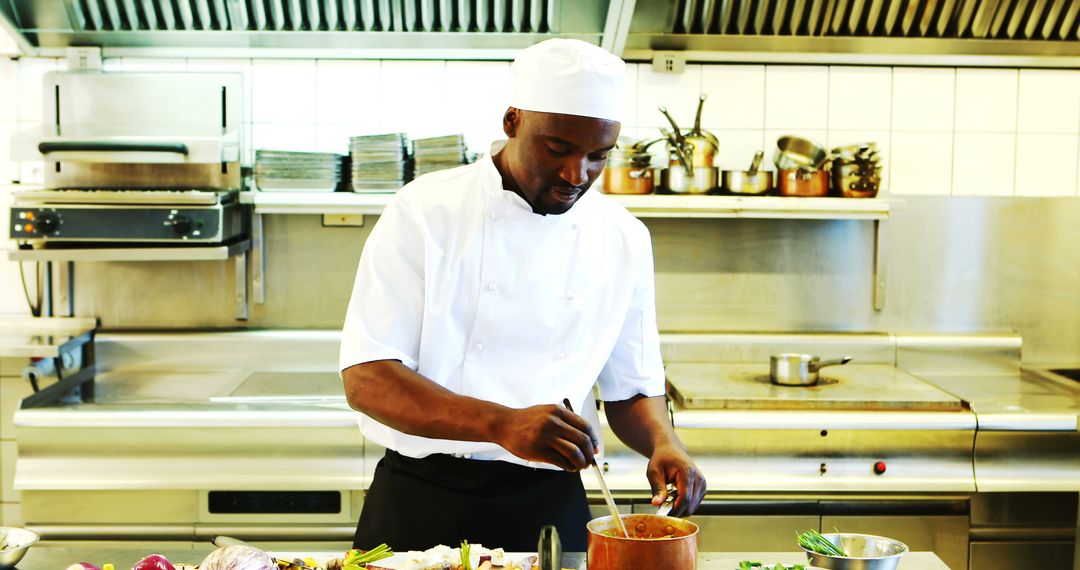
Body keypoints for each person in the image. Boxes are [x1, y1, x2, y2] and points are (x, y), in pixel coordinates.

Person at [340, 38, 706, 553]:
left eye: (597, 156)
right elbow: (368, 378)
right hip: (420, 500)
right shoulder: (425, 211)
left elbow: (631, 390)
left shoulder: (621, 236)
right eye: (557, 148)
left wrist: (665, 443)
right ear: (512, 121)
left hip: (550, 503)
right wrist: (501, 423)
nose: (576, 175)